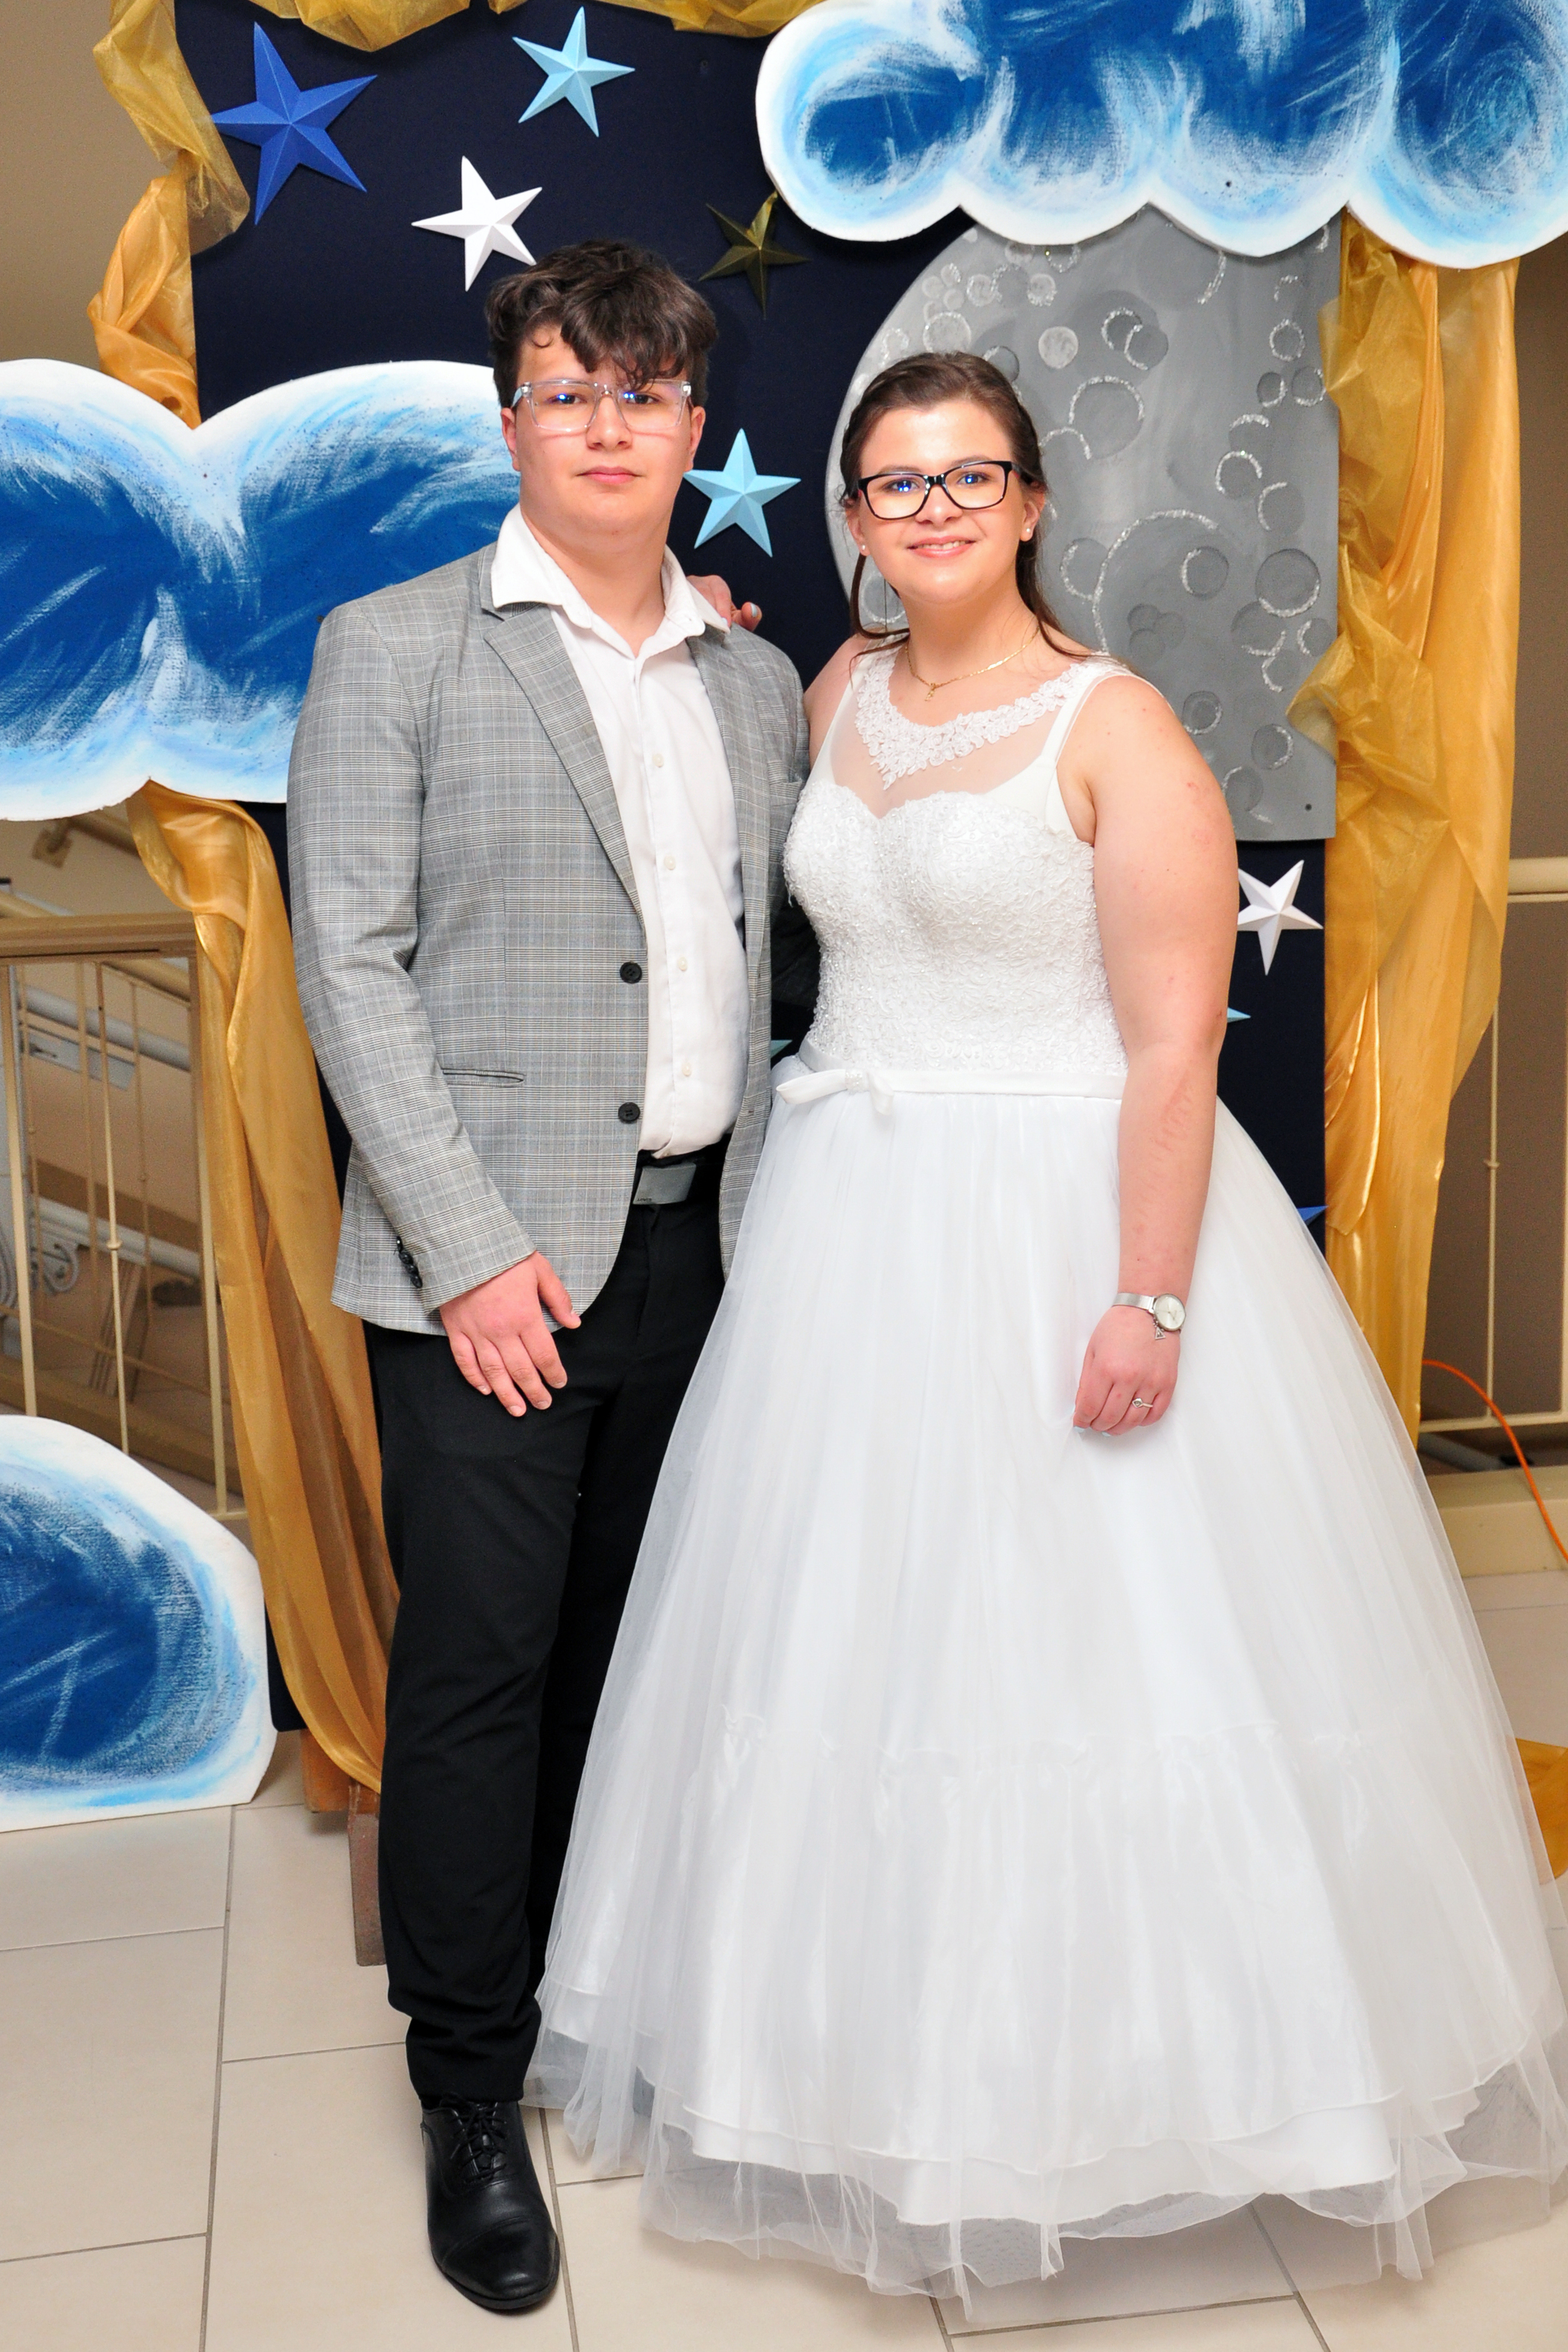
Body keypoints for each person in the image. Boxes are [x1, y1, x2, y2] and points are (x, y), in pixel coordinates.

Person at [527, 351, 1568, 2308]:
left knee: (1094, 1654)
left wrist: (1146, 1298)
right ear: (856, 515)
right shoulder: (831, 693)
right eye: (893, 482)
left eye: (968, 476)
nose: (930, 510)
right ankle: (862, 2073)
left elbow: (1175, 1051)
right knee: (859, 1648)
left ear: (1026, 501)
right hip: (847, 1229)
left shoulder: (1120, 732)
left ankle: (1134, 2096)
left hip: (1061, 1221)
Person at [287, 239, 812, 2315]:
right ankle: (465, 2087)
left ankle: (600, 2007)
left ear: (695, 424)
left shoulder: (752, 679)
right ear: (511, 421)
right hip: (491, 1286)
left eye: (646, 392)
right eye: (568, 390)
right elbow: (351, 967)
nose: (609, 424)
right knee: (480, 1679)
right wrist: (472, 1251)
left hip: (702, 1253)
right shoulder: (392, 647)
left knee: (635, 1661)